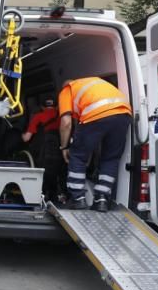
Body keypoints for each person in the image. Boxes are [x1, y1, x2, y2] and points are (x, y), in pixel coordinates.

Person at [58, 77, 133, 212]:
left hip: (96, 114)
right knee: (111, 158)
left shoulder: (67, 90)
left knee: (78, 156)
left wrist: (64, 147)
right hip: (124, 114)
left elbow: (66, 123)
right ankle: (101, 200)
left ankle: (77, 199)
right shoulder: (92, 84)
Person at [22, 98, 64, 201]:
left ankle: (41, 196)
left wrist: (20, 135)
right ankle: (56, 196)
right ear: (57, 107)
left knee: (42, 174)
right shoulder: (61, 117)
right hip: (59, 152)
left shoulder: (38, 116)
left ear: (42, 107)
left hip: (42, 153)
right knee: (57, 173)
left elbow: (26, 138)